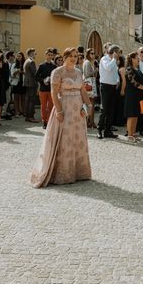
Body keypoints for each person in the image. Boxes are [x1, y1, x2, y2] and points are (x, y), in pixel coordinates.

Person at [30, 47, 92, 187]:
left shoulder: (78, 71)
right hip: (64, 107)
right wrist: (59, 111)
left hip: (78, 110)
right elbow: (53, 92)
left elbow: (82, 90)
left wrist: (88, 106)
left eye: (76, 56)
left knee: (78, 138)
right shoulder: (57, 72)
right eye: (71, 55)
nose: (74, 58)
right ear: (64, 57)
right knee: (65, 138)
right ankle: (63, 172)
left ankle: (79, 172)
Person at [123, 52, 143, 143]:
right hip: (131, 95)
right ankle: (130, 135)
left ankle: (133, 133)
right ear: (132, 59)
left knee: (136, 115)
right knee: (131, 115)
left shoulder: (137, 69)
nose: (138, 59)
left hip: (138, 95)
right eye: (137, 57)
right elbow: (133, 82)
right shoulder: (129, 69)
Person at [97, 44, 120, 139]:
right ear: (114, 52)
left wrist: (117, 80)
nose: (119, 54)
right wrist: (114, 59)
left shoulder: (113, 61)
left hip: (113, 87)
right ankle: (99, 130)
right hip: (105, 86)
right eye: (118, 52)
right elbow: (108, 68)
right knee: (104, 109)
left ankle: (108, 130)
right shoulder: (104, 59)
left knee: (111, 110)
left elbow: (115, 72)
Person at [35, 48, 57, 128]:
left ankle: (49, 121)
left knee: (50, 106)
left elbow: (56, 77)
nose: (50, 56)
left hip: (51, 89)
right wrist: (42, 80)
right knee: (43, 106)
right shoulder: (41, 65)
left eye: (51, 55)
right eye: (48, 55)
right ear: (45, 55)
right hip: (43, 89)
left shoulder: (54, 66)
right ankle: (44, 121)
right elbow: (36, 77)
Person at [82, 49, 98, 129]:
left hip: (90, 84)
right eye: (92, 53)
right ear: (88, 54)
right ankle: (90, 121)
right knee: (90, 103)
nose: (93, 55)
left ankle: (90, 121)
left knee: (90, 103)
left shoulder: (89, 62)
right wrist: (95, 71)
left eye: (94, 53)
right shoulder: (87, 62)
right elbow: (87, 74)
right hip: (89, 84)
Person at [23, 48, 39, 123]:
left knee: (28, 99)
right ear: (31, 54)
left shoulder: (26, 61)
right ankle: (30, 116)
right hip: (32, 83)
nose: (35, 55)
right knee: (31, 100)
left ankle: (27, 116)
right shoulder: (31, 62)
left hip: (27, 83)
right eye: (34, 53)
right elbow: (35, 73)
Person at [10, 52, 26, 117]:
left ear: (22, 57)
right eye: (18, 56)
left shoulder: (24, 64)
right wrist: (17, 71)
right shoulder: (14, 65)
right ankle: (16, 112)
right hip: (16, 83)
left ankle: (23, 111)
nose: (19, 57)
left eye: (20, 56)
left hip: (23, 83)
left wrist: (22, 72)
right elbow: (12, 74)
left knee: (23, 98)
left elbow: (27, 73)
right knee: (16, 98)